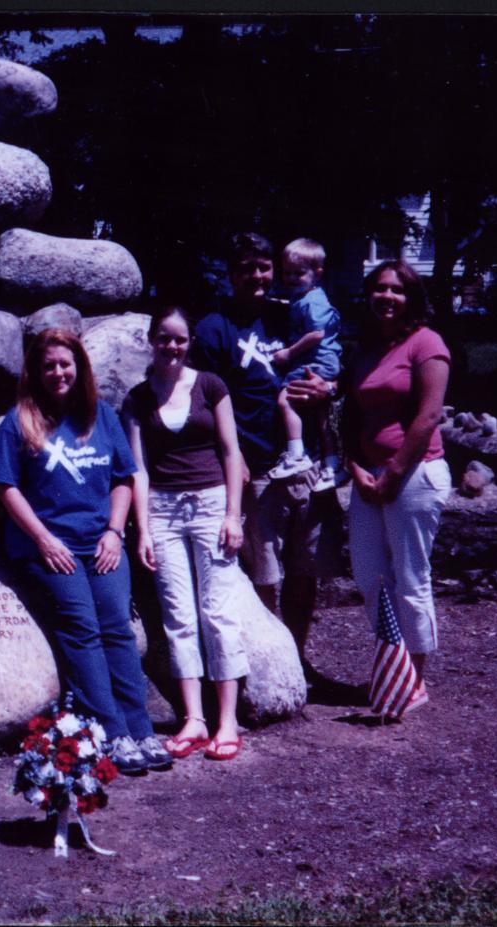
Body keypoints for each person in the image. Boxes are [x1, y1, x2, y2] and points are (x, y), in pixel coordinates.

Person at [0, 329, 172, 774]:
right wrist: (43, 539)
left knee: (118, 630)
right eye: (48, 365)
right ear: (36, 371)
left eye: (65, 363)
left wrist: (113, 532)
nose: (58, 372)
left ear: (80, 367)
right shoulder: (19, 420)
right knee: (82, 628)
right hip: (49, 546)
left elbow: (123, 478)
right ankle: (111, 732)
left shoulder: (101, 416)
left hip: (100, 541)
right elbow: (5, 487)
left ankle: (140, 729)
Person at [190, 232, 342, 675]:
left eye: (263, 266)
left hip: (305, 460)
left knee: (305, 567)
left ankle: (296, 656)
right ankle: (270, 663)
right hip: (253, 464)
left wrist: (329, 386)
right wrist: (229, 461)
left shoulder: (289, 314)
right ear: (230, 273)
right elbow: (203, 402)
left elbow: (332, 360)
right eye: (246, 268)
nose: (257, 276)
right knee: (265, 571)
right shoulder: (214, 328)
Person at [123, 308, 248, 761]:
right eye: (163, 338)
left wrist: (233, 515)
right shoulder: (137, 398)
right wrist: (143, 530)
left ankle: (227, 720)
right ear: (151, 339)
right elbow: (137, 470)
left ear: (189, 341)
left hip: (212, 505)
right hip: (164, 511)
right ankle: (193, 718)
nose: (171, 347)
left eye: (179, 339)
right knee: (178, 616)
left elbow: (232, 453)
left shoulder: (210, 386)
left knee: (218, 611)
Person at [344, 261, 452, 710]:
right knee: (370, 576)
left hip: (414, 477)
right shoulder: (367, 348)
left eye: (397, 290)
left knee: (410, 577)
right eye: (379, 289)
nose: (386, 296)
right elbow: (349, 415)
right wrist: (355, 468)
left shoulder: (426, 343)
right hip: (368, 478)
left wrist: (392, 474)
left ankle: (415, 680)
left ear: (411, 297)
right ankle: (393, 664)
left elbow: (428, 416)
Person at [267, 238, 343, 490]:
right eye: (287, 273)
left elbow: (316, 334)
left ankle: (296, 455)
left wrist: (289, 353)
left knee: (285, 400)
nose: (291, 278)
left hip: (316, 361)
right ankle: (332, 466)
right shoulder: (306, 298)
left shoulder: (313, 301)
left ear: (317, 273)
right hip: (324, 363)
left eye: (299, 273)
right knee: (320, 413)